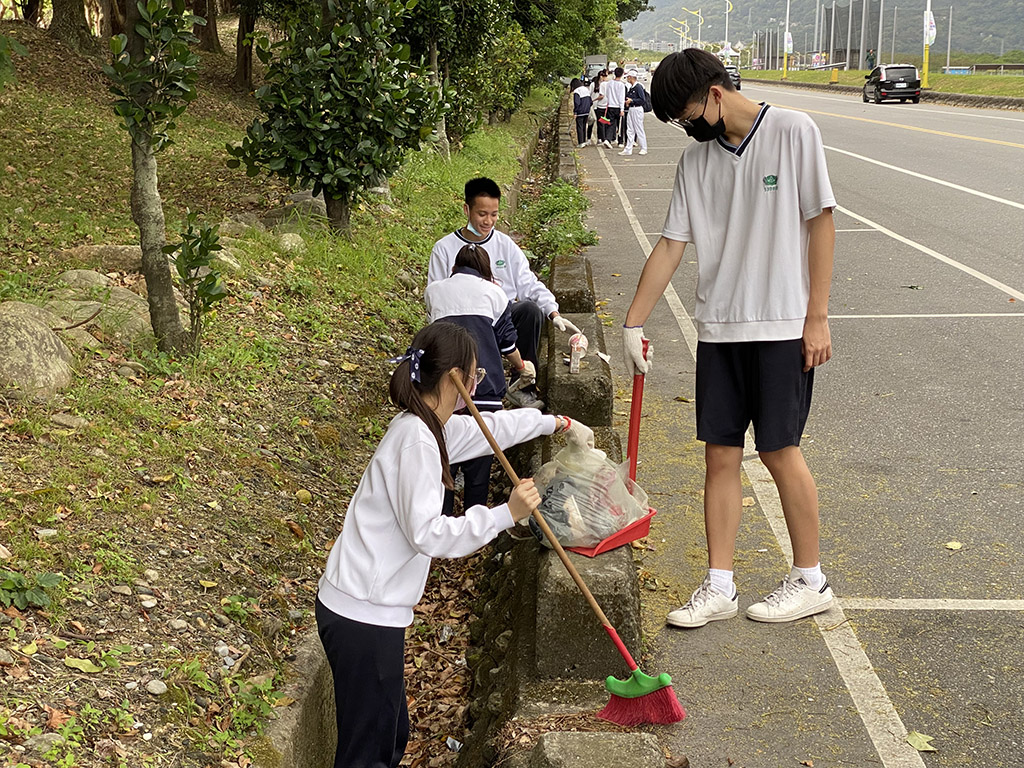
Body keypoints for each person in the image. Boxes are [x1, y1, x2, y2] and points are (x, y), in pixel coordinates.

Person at [622, 49, 837, 628]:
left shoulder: (793, 131)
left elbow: (820, 222)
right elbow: (671, 244)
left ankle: (810, 578)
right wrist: (634, 322)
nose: (686, 127)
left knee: (779, 449)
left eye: (687, 115)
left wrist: (816, 316)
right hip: (719, 328)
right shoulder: (695, 162)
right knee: (720, 454)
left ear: (715, 94)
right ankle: (720, 585)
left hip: (782, 324)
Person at [317, 322, 595, 768]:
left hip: (366, 608)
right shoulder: (416, 442)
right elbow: (427, 534)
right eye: (474, 376)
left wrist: (555, 423)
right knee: (368, 752)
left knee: (389, 735)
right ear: (454, 379)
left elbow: (491, 428)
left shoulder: (428, 427)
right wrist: (506, 514)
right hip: (362, 613)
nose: (476, 385)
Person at [428, 177, 581, 410]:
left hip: (501, 313)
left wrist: (553, 312)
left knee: (529, 310)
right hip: (463, 318)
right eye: (482, 214)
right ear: (467, 210)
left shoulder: (505, 245)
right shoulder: (444, 248)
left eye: (494, 214)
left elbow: (528, 283)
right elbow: (436, 298)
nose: (488, 221)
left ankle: (522, 385)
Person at [425, 243, 536, 516]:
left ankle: (442, 519)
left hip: (443, 390)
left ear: (454, 268)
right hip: (483, 390)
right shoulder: (495, 293)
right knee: (480, 461)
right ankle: (476, 521)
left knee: (444, 460)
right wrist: (523, 366)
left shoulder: (434, 291)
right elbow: (507, 344)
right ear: (486, 271)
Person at [620, 69, 649, 156]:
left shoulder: (638, 87)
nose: (627, 79)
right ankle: (628, 149)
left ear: (631, 77)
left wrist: (632, 100)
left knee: (639, 128)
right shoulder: (631, 87)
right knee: (630, 129)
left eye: (628, 77)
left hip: (637, 109)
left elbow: (642, 100)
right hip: (631, 109)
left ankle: (644, 148)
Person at [601, 67, 626, 149]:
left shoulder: (609, 83)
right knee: (620, 124)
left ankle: (608, 139)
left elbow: (607, 94)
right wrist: (622, 109)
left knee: (611, 124)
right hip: (618, 106)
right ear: (622, 74)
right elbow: (621, 97)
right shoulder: (621, 85)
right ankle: (620, 141)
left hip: (610, 106)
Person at [570, 77, 592, 149]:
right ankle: (584, 141)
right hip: (587, 111)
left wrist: (575, 112)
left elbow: (577, 102)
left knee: (579, 127)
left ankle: (581, 142)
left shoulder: (577, 91)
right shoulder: (585, 89)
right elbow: (590, 101)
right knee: (583, 126)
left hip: (580, 111)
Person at [589, 70, 606, 145]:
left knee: (601, 123)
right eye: (604, 76)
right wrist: (592, 100)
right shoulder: (593, 84)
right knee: (591, 122)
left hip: (601, 106)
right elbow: (589, 94)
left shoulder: (605, 85)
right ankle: (589, 138)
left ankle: (600, 138)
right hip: (593, 106)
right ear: (600, 76)